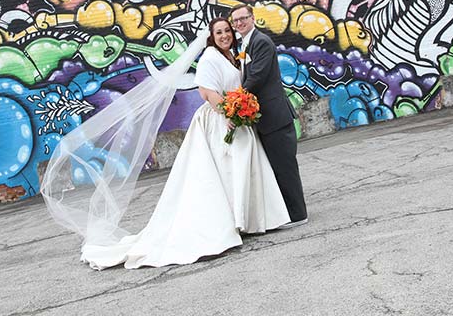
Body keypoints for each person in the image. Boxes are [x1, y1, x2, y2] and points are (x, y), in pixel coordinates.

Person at [43, 17, 290, 269]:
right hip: (220, 122)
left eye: (227, 31)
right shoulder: (209, 58)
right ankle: (229, 222)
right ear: (211, 37)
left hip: (234, 121)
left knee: (237, 169)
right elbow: (206, 92)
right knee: (224, 170)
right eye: (219, 32)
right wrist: (229, 114)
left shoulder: (231, 57)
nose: (225, 35)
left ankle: (244, 218)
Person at [229, 3, 308, 227]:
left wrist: (236, 101)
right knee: (275, 168)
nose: (239, 23)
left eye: (243, 18)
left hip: (275, 117)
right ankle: (286, 212)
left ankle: (298, 215)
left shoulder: (261, 42)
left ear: (252, 18)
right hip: (264, 119)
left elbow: (257, 77)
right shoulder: (246, 44)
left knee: (285, 167)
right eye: (235, 21)